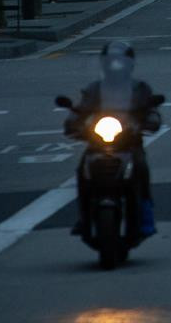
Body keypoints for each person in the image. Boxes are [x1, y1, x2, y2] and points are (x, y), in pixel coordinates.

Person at [65, 40, 163, 237]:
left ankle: (145, 216)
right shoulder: (94, 89)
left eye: (120, 61)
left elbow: (150, 110)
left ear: (129, 64)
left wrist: (150, 121)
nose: (115, 65)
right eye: (111, 61)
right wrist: (74, 122)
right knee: (82, 171)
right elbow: (81, 108)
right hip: (98, 143)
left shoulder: (139, 88)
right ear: (104, 63)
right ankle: (84, 217)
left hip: (129, 143)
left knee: (141, 169)